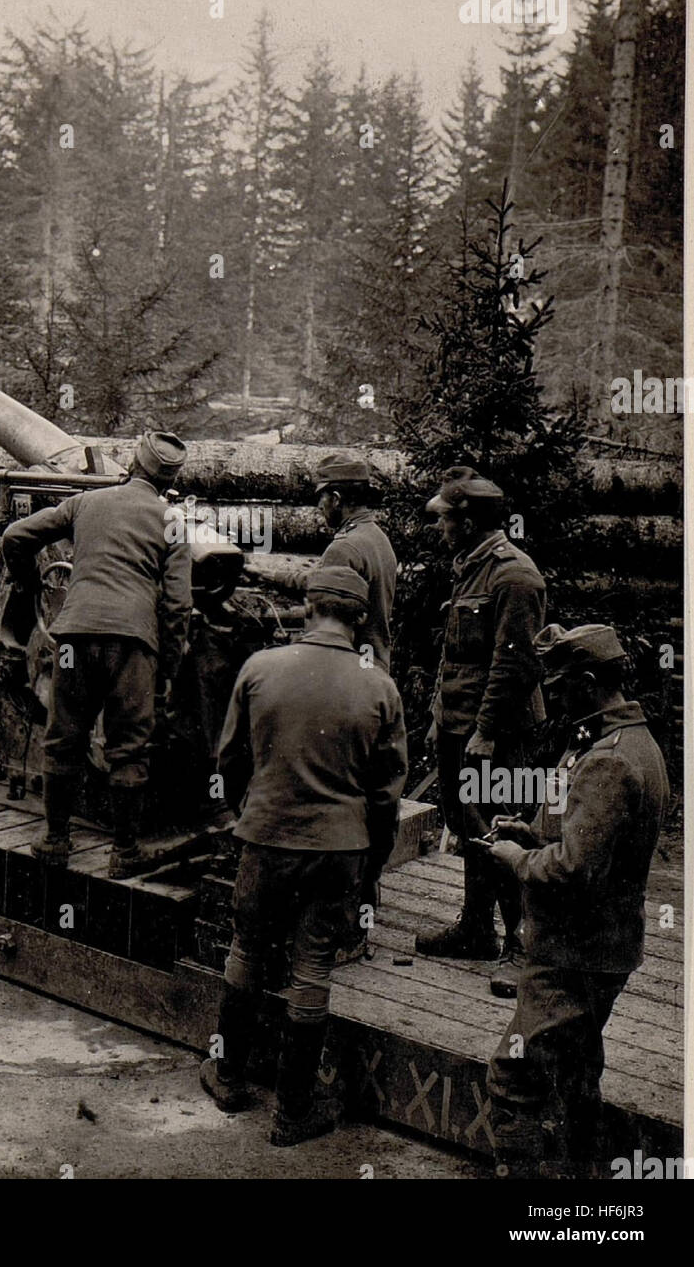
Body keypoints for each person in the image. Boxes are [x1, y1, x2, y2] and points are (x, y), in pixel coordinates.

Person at [199, 566, 407, 1146]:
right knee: (312, 966)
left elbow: (229, 760)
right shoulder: (378, 685)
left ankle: (229, 1076)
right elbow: (387, 795)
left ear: (308, 606)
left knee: (246, 949)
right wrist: (371, 866)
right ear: (359, 619)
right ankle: (293, 1112)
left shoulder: (262, 667)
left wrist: (242, 814)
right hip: (340, 849)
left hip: (266, 839)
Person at [483, 624, 668, 1178]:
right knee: (575, 1071)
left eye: (562, 687)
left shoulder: (608, 759)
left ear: (588, 683)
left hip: (573, 955)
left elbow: (572, 871)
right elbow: (585, 840)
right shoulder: (627, 742)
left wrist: (515, 860)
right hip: (597, 950)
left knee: (512, 1076)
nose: (555, 700)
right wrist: (531, 833)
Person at [1, 431, 192, 878]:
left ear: (133, 464)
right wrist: (166, 666)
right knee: (129, 749)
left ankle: (55, 840)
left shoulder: (87, 504)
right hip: (132, 645)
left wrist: (28, 583)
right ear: (167, 481)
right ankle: (124, 851)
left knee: (64, 737)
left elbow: (15, 536)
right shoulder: (173, 522)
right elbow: (178, 605)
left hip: (74, 638)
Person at [415, 466, 546, 1000]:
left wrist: (487, 732)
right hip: (460, 724)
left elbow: (512, 665)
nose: (439, 527)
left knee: (504, 832)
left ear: (467, 521)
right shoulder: (468, 567)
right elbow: (457, 654)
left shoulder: (514, 575)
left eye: (445, 518)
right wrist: (437, 716)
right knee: (467, 826)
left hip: (497, 732)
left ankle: (522, 946)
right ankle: (475, 928)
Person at [249, 451, 397, 670]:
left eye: (322, 497)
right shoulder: (376, 536)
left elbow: (316, 588)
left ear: (336, 499)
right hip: (372, 662)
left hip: (347, 666)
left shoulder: (344, 547)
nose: (319, 506)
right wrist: (268, 574)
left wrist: (265, 576)